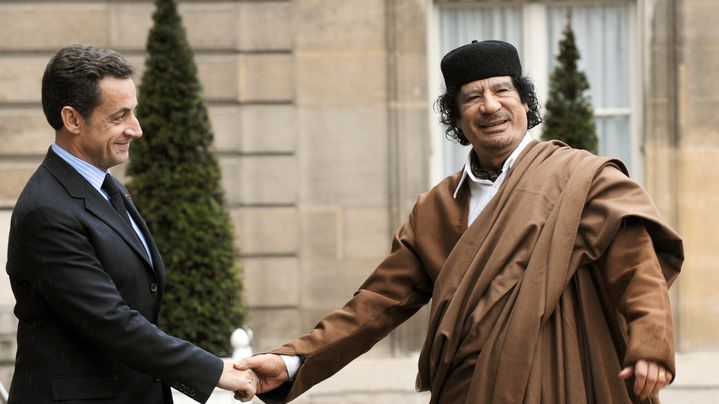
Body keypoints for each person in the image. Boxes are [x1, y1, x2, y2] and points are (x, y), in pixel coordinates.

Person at [235, 40, 684, 404]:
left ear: (525, 102)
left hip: (569, 380)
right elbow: (376, 303)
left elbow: (638, 269)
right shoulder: (436, 208)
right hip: (469, 390)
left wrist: (650, 345)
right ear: (456, 118)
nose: (490, 106)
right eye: (472, 97)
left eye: (502, 91)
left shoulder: (583, 179)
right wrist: (293, 359)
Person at [5, 44, 256, 404]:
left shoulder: (107, 186)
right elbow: (111, 321)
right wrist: (216, 371)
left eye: (133, 113)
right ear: (73, 120)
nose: (136, 129)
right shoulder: (47, 210)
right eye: (119, 117)